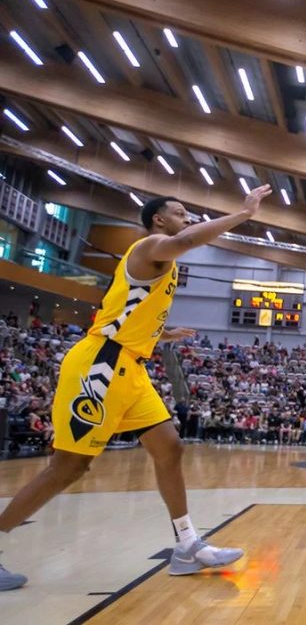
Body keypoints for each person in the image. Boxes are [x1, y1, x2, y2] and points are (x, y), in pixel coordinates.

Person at [0, 188, 271, 590]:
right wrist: (243, 213)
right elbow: (186, 241)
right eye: (181, 213)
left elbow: (127, 314)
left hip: (131, 367)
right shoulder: (153, 245)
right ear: (159, 220)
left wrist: (162, 335)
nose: (189, 219)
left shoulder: (162, 262)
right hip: (99, 365)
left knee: (170, 447)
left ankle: (187, 546)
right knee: (68, 468)